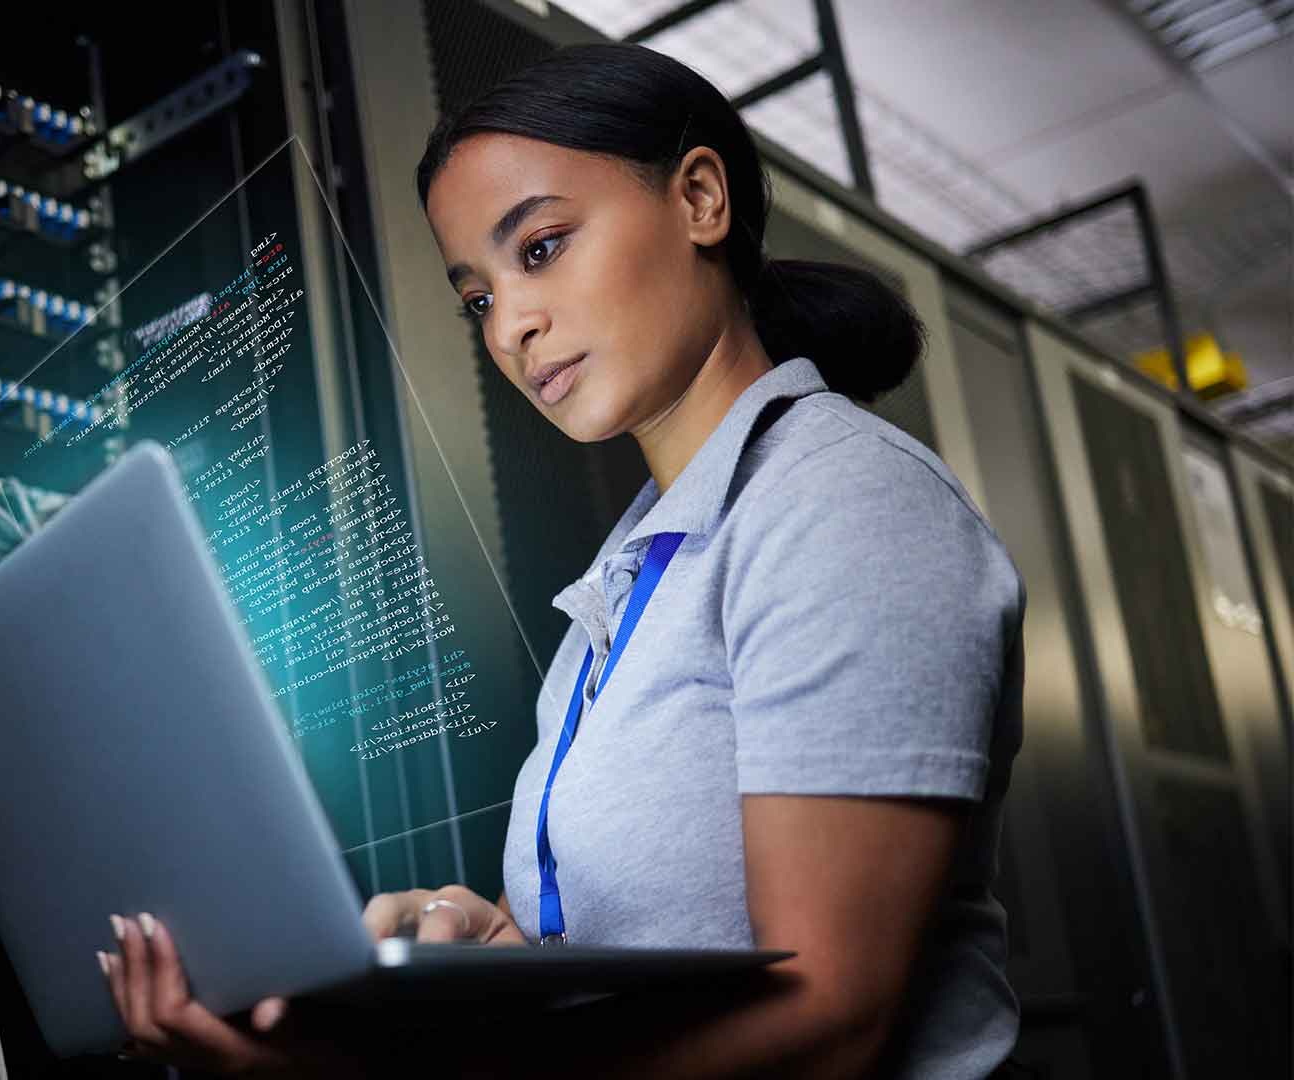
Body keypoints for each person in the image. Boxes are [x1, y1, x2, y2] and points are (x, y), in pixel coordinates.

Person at [98, 42, 1024, 1078]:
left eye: (539, 249)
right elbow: (643, 955)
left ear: (701, 199)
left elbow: (831, 1019)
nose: (511, 327)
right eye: (477, 298)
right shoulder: (631, 578)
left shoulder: (843, 502)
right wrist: (491, 944)